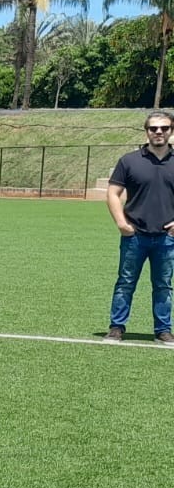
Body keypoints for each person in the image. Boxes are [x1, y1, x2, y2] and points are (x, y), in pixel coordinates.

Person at [105, 110, 174, 343]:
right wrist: (121, 223)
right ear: (146, 131)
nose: (159, 132)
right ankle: (116, 327)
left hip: (166, 237)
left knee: (163, 285)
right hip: (134, 236)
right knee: (125, 282)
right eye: (154, 128)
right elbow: (113, 193)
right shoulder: (129, 161)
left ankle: (163, 330)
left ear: (171, 131)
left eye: (164, 128)